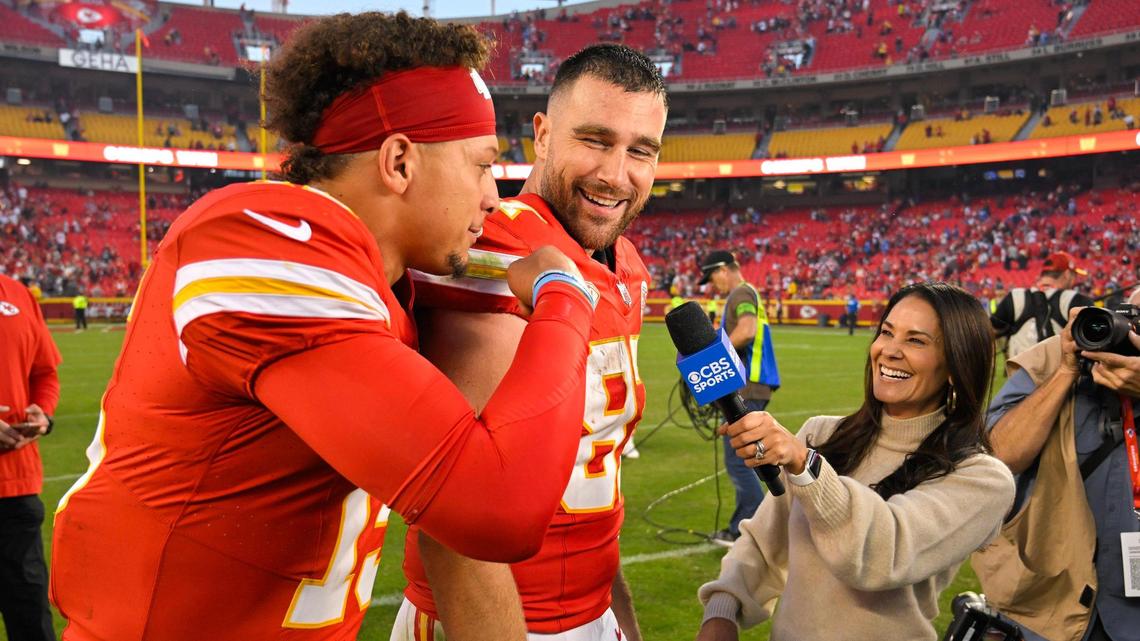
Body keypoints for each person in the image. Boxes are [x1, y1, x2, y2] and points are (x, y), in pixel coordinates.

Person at [50, 13, 602, 641]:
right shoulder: (263, 235)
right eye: (479, 165)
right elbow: (498, 509)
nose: (489, 194)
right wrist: (566, 296)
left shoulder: (379, 277)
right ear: (398, 161)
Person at [397, 44, 667, 641]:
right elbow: (455, 518)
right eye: (595, 140)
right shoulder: (499, 245)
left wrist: (618, 619)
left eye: (640, 150)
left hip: (590, 610)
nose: (615, 173)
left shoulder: (623, 267)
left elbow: (593, 484)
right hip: (496, 622)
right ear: (542, 135)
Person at [696, 282, 1016, 641]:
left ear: (957, 365)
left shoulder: (982, 479)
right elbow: (762, 545)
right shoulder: (821, 435)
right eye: (887, 333)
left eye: (916, 340)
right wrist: (721, 614)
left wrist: (805, 466)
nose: (890, 351)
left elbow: (883, 554)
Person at [974, 289, 1140, 641]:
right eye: (1130, 315)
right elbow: (998, 454)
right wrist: (1066, 370)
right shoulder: (1057, 357)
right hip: (1051, 605)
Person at [697, 250, 780, 546]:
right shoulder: (745, 293)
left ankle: (747, 531)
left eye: (712, 277)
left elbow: (746, 330)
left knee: (739, 462)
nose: (712, 284)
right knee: (751, 460)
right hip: (753, 386)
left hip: (747, 387)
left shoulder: (742, 292)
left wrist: (710, 360)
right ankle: (757, 527)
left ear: (723, 269)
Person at [0, 273, 60, 641]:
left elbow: (45, 373)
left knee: (32, 623)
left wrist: (42, 412)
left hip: (16, 493)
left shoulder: (19, 293)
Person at [992, 251, 1092, 360]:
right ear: (1067, 274)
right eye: (1074, 276)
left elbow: (991, 330)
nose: (1074, 281)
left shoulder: (1015, 297)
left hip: (1019, 374)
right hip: (1061, 375)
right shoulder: (1077, 300)